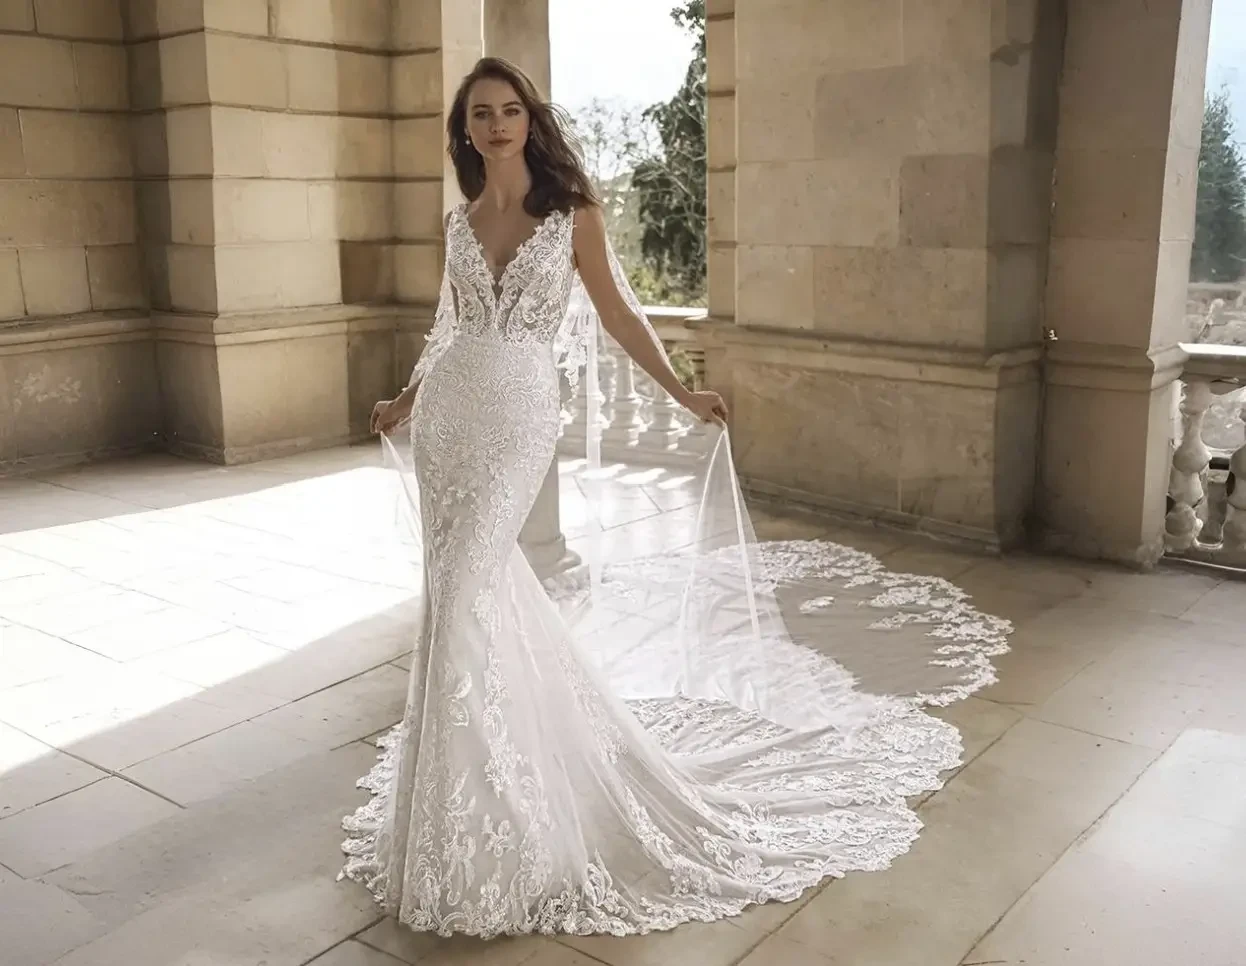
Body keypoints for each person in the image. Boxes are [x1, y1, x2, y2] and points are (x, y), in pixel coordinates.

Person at [340, 57, 1011, 939]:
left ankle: (507, 816)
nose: (497, 125)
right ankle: (456, 814)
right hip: (453, 415)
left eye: (510, 110)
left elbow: (618, 313)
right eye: (481, 114)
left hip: (517, 416)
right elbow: (449, 329)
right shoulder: (459, 222)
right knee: (462, 599)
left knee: (470, 588)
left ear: (530, 121)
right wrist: (406, 400)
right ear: (464, 131)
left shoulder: (569, 213)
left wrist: (682, 392)